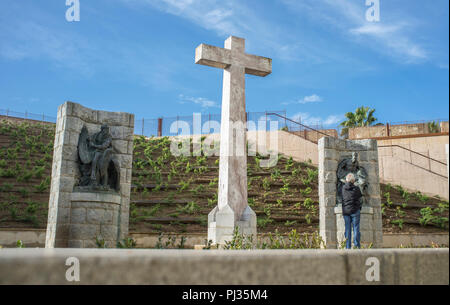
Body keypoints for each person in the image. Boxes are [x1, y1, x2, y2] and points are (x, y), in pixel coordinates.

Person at [342, 172, 362, 249]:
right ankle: (357, 246)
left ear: (346, 180)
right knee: (356, 228)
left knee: (347, 230)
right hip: (355, 211)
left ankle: (348, 247)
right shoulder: (356, 188)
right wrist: (359, 208)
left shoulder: (343, 188)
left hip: (346, 212)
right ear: (353, 181)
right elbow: (360, 199)